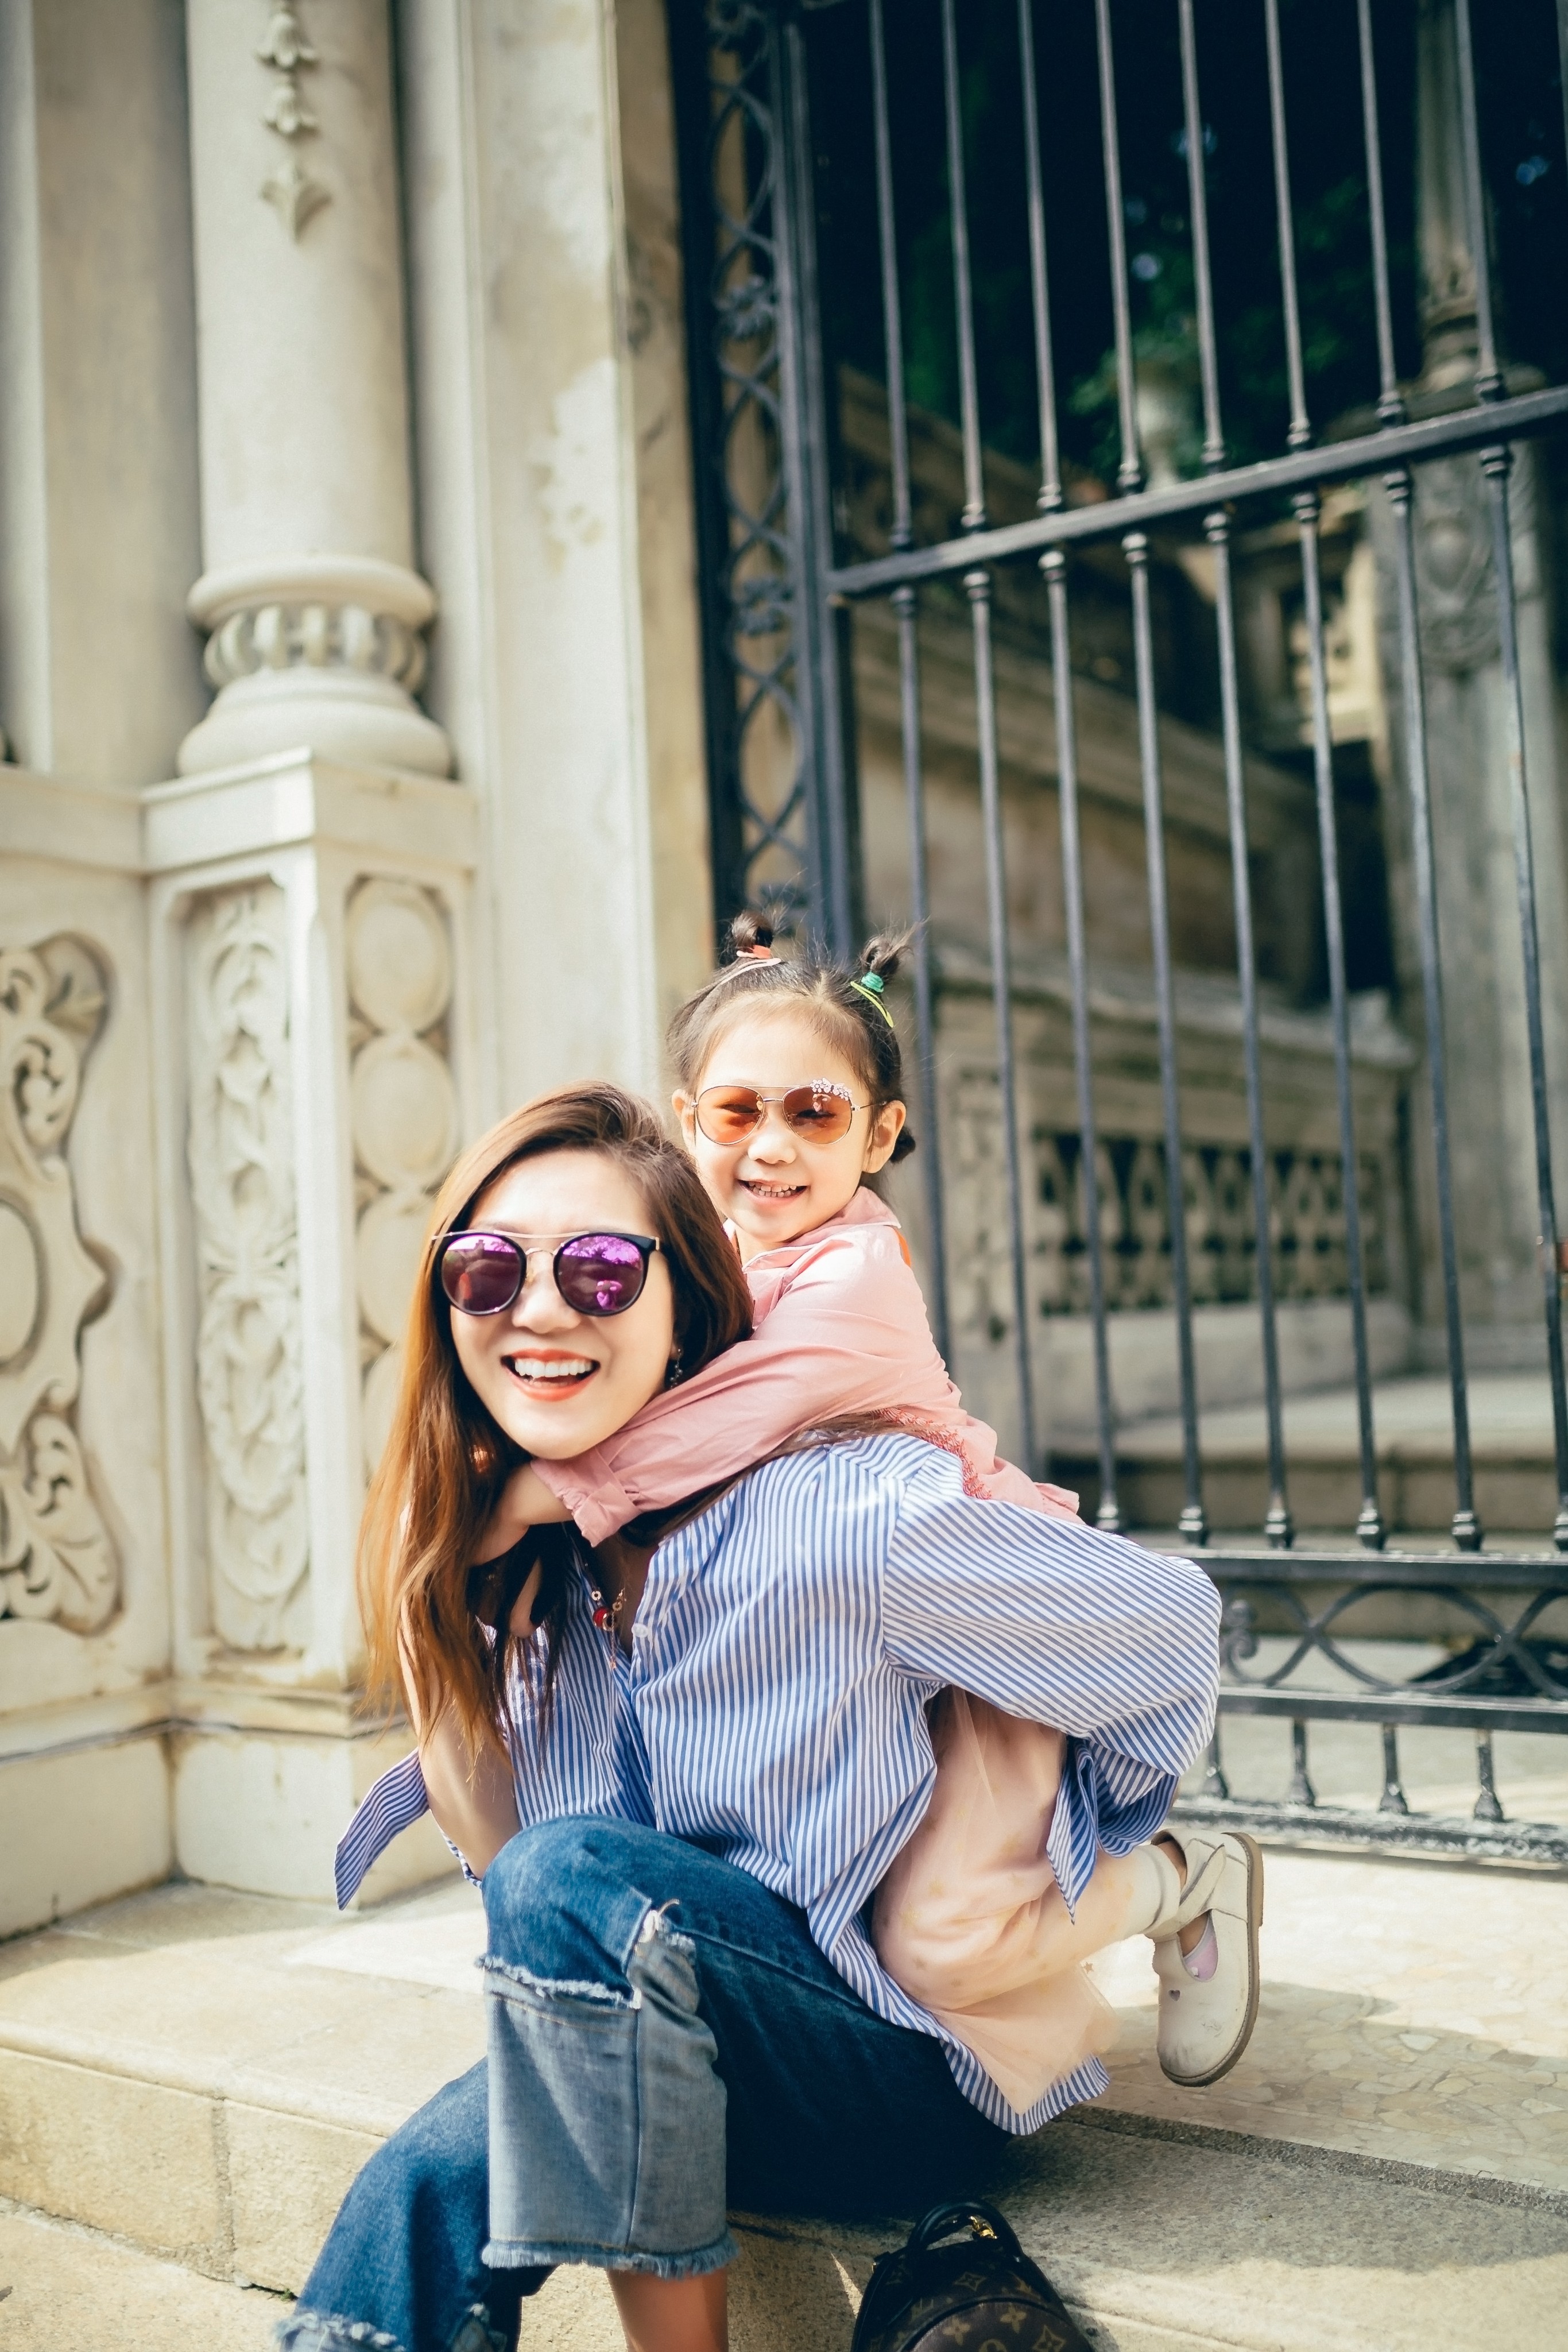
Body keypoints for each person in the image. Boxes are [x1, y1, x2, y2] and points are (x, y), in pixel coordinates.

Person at [297, 1083, 1224, 2352]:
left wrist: (1055, 1832)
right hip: (674, 2046)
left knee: (572, 1880)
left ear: (686, 1310)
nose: (543, 1308)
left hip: (891, 2074)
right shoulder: (530, 1571)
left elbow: (1169, 1632)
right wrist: (438, 1602)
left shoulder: (838, 1519)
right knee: (412, 2190)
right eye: (488, 1269)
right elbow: (530, 1899)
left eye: (603, 1270)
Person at [473, 918, 1261, 2118]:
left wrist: (539, 1491)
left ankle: (1179, 1878)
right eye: (737, 1112)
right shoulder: (684, 1261)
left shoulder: (858, 1273)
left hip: (959, 1629)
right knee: (826, 1895)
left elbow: (726, 1418)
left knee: (944, 1939)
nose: (772, 1145)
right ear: (686, 1120)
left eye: (815, 1113)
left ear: (880, 1135)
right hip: (826, 1642)